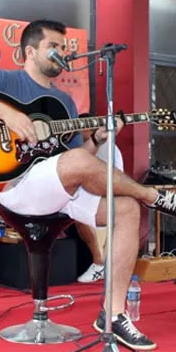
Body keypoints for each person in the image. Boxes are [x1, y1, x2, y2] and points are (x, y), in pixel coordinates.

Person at [0, 19, 176, 351]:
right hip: (16, 187)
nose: (62, 53)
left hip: (55, 186)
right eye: (54, 47)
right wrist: (8, 115)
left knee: (126, 208)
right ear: (29, 51)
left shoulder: (63, 102)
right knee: (110, 183)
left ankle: (114, 314)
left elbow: (77, 158)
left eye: (64, 48)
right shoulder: (5, 80)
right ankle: (153, 194)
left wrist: (97, 137)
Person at [74, 113, 126, 283]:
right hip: (91, 194)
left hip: (107, 196)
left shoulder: (107, 147)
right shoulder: (79, 147)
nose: (77, 130)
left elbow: (115, 181)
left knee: (78, 208)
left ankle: (98, 262)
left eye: (81, 126)